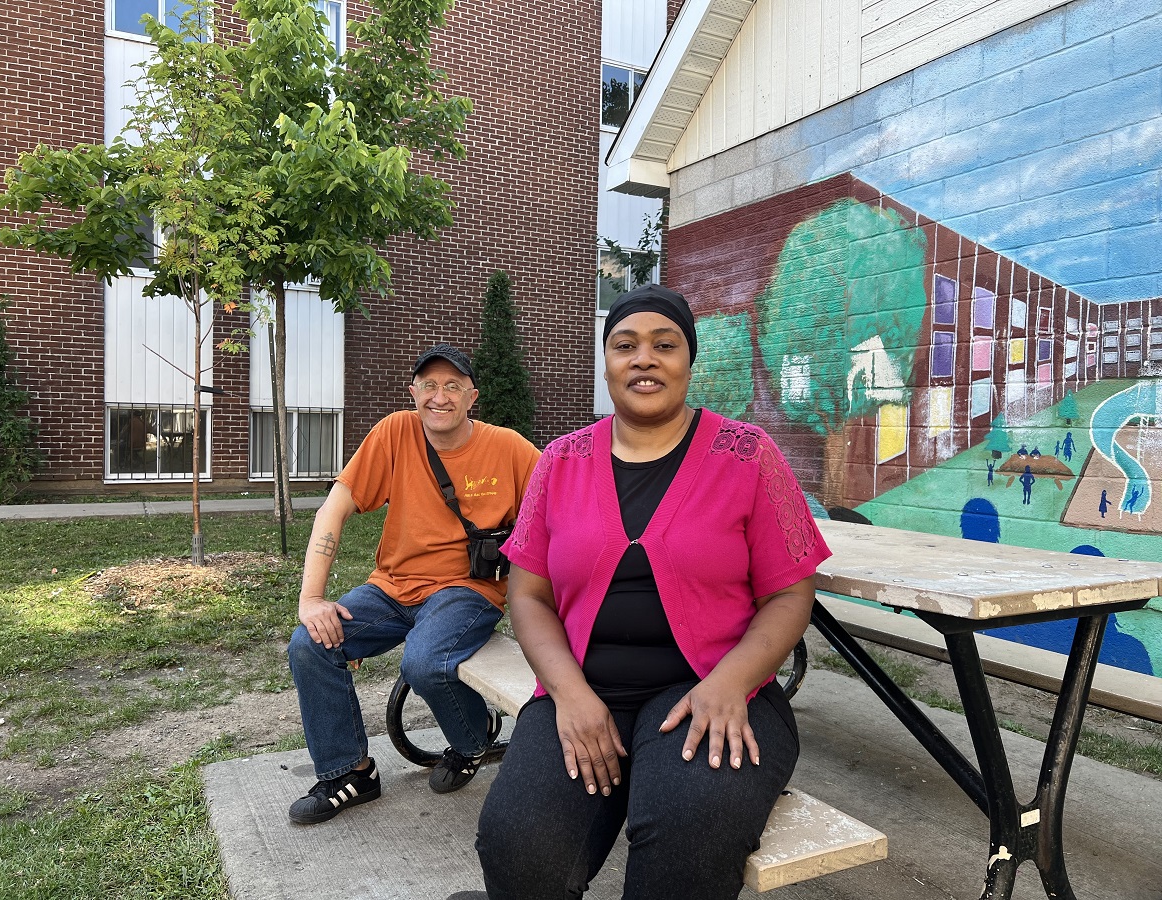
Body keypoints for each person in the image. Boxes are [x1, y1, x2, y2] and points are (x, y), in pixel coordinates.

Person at [469, 285, 832, 900]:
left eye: (664, 345)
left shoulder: (747, 456)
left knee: (688, 830)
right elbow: (528, 596)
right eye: (625, 345)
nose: (644, 359)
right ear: (607, 364)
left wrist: (729, 682)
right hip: (585, 686)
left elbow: (792, 592)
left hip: (710, 691)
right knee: (517, 840)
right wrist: (571, 695)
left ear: (689, 362)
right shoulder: (560, 463)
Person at [286, 344, 540, 825]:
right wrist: (312, 599)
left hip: (466, 591)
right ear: (413, 392)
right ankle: (351, 774)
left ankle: (472, 740)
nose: (438, 397)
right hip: (393, 587)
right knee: (310, 644)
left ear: (472, 397)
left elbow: (558, 511)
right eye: (428, 385)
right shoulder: (394, 433)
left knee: (425, 662)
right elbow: (332, 510)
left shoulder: (508, 448)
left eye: (452, 387)